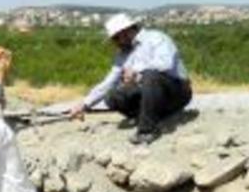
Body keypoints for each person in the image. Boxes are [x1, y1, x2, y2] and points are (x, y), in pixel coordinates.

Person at [70, 13, 192, 144]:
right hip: (151, 94)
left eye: (116, 38)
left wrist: (137, 70)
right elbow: (109, 82)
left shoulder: (156, 38)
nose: (114, 43)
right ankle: (149, 115)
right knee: (112, 96)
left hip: (176, 91)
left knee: (151, 75)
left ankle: (147, 131)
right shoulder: (122, 54)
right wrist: (85, 104)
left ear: (125, 32)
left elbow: (165, 64)